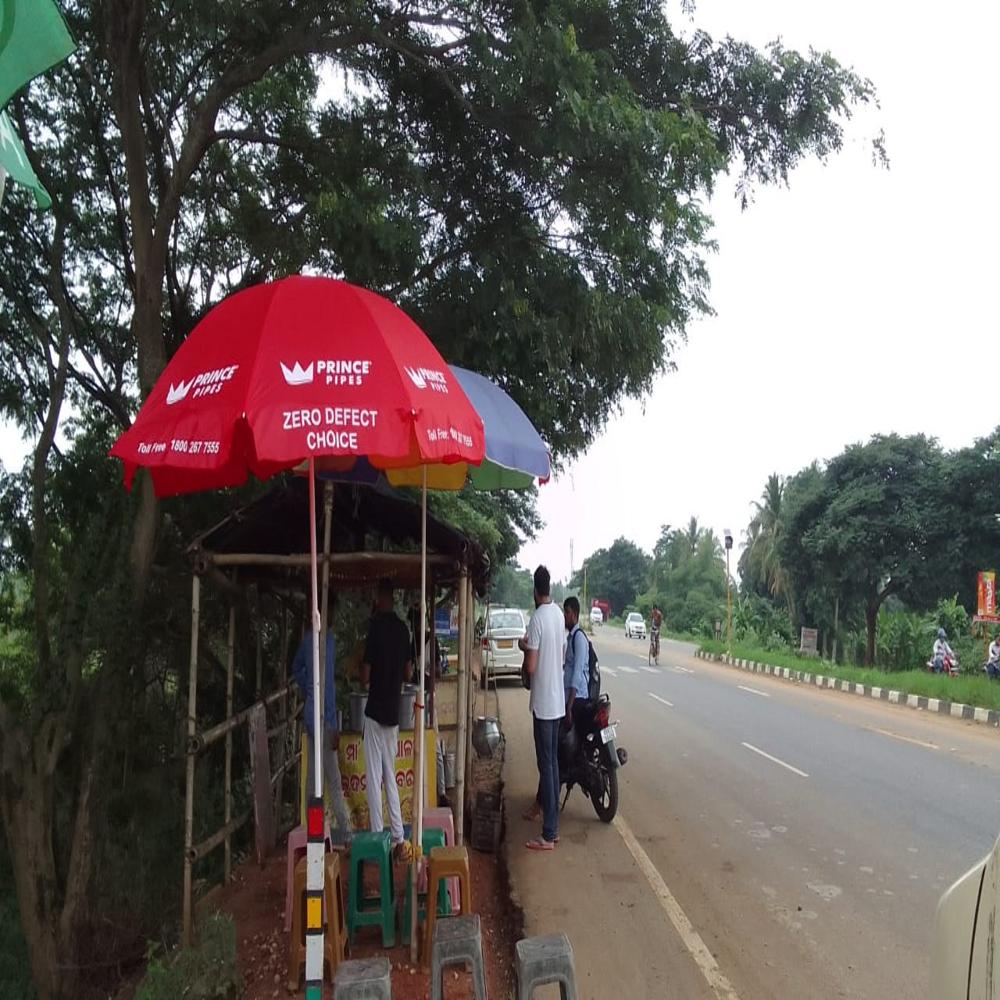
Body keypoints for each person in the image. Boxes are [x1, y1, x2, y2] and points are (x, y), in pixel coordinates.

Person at [361, 578, 413, 859]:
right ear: (393, 598)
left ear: (379, 598)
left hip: (373, 712)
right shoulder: (403, 629)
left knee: (373, 777)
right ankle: (397, 837)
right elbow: (408, 673)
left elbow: (365, 675)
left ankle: (376, 836)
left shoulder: (374, 629)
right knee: (390, 776)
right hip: (393, 712)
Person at [292, 620, 353, 845]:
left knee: (312, 779)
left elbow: (296, 668)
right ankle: (346, 834)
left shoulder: (308, 639)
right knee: (333, 780)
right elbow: (328, 689)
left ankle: (313, 831)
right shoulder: (327, 641)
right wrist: (333, 724)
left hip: (310, 714)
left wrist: (307, 684)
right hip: (322, 717)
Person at [522, 565, 566, 851]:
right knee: (553, 765)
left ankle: (548, 833)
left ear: (535, 591)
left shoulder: (537, 619)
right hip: (558, 702)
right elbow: (560, 655)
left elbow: (532, 667)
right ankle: (553, 827)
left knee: (546, 766)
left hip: (543, 705)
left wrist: (524, 647)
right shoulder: (560, 615)